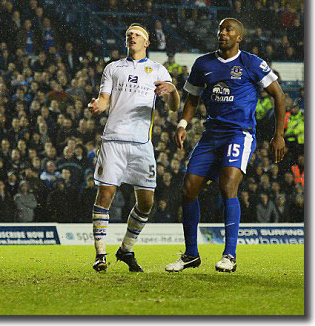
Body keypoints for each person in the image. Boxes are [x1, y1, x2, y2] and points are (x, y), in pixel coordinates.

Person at [165, 18, 286, 273]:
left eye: (229, 29)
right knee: (188, 189)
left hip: (239, 134)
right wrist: (183, 124)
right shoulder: (203, 64)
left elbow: (278, 95)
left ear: (239, 37)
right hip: (211, 135)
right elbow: (192, 98)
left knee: (228, 183)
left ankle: (229, 255)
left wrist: (279, 135)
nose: (223, 33)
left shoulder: (252, 63)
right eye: (220, 29)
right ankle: (191, 255)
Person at [87, 23, 180, 272]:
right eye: (129, 34)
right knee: (105, 194)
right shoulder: (113, 68)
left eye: (137, 34)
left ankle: (126, 250)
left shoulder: (158, 70)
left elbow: (173, 105)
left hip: (142, 145)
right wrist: (98, 106)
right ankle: (100, 254)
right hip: (114, 140)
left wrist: (172, 90)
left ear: (147, 43)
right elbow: (105, 101)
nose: (132, 36)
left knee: (147, 202)